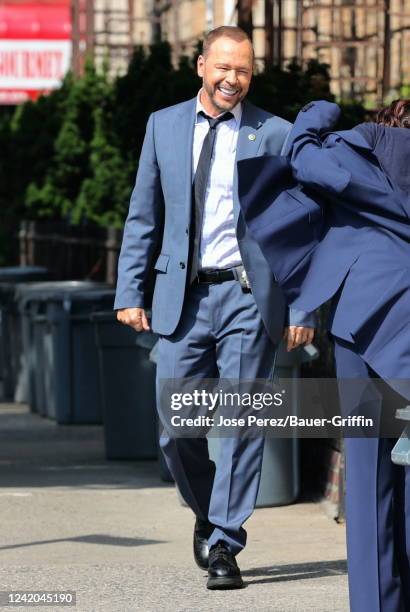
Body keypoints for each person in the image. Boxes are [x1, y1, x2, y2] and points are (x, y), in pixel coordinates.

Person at [114, 25, 314, 591]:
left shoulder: (274, 134)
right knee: (175, 425)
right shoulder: (164, 125)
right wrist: (130, 291)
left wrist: (301, 305)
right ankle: (206, 511)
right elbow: (143, 215)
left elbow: (298, 230)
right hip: (183, 296)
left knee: (243, 422)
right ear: (201, 66)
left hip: (250, 297)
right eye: (224, 68)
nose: (233, 79)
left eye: (244, 70)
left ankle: (226, 541)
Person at [238, 99, 410, 611]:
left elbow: (303, 157)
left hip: (369, 320)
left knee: (368, 474)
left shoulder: (363, 150)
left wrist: (319, 111)